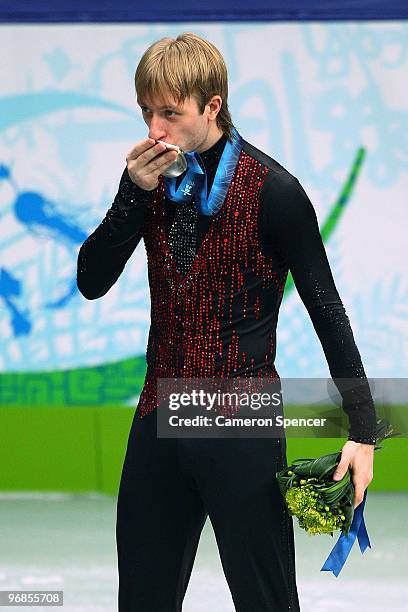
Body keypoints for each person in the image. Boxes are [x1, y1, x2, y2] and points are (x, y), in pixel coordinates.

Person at [76, 32, 377, 612]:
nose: (155, 130)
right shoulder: (149, 181)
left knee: (267, 604)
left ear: (212, 106)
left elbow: (327, 311)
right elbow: (91, 281)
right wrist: (130, 195)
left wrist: (363, 430)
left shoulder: (276, 192)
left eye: (170, 112)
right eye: (146, 112)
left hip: (241, 422)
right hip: (159, 417)